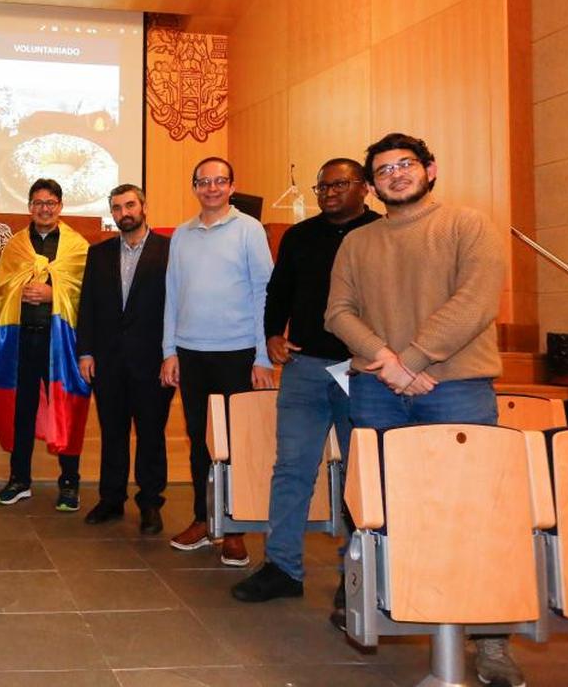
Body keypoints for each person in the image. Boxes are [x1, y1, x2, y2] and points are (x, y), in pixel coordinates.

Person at [324, 133, 519, 686]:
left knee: (472, 513)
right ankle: (375, 605)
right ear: (373, 184)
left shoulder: (468, 225)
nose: (395, 175)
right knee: (373, 505)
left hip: (455, 386)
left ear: (430, 169)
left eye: (405, 164)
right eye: (383, 170)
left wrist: (409, 360)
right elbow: (338, 311)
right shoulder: (358, 243)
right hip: (376, 389)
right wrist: (388, 362)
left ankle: (490, 640)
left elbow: (476, 301)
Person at [230, 158, 378, 603]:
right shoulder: (298, 236)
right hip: (306, 368)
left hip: (364, 372)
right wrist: (274, 334)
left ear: (364, 188)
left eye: (340, 184)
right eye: (323, 187)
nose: (330, 192)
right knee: (291, 469)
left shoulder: (382, 233)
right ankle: (282, 567)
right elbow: (279, 292)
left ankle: (355, 575)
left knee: (361, 473)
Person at [160, 157, 273, 567]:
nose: (211, 188)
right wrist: (169, 351)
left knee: (237, 445)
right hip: (191, 354)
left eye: (219, 181)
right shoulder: (182, 235)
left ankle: (236, 530)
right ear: (194, 187)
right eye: (203, 182)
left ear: (231, 185)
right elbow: (172, 294)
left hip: (238, 353)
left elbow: (265, 293)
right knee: (200, 442)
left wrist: (261, 355)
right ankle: (204, 520)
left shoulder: (249, 230)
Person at [0, 178, 91, 511]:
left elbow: (86, 293)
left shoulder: (77, 247)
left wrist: (52, 292)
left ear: (60, 206)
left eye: (50, 202)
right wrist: (19, 290)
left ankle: (70, 483)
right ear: (30, 207)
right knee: (22, 408)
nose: (44, 208)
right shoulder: (15, 245)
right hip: (22, 340)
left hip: (62, 342)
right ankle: (19, 479)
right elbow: (0, 289)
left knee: (67, 407)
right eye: (38, 203)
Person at [76, 184, 174, 534]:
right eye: (117, 208)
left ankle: (150, 503)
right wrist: (85, 351)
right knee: (113, 432)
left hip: (154, 362)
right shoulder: (98, 254)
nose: (124, 213)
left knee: (151, 433)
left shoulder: (171, 250)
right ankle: (111, 499)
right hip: (108, 362)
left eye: (130, 205)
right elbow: (86, 305)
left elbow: (178, 307)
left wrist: (171, 355)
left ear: (144, 207)